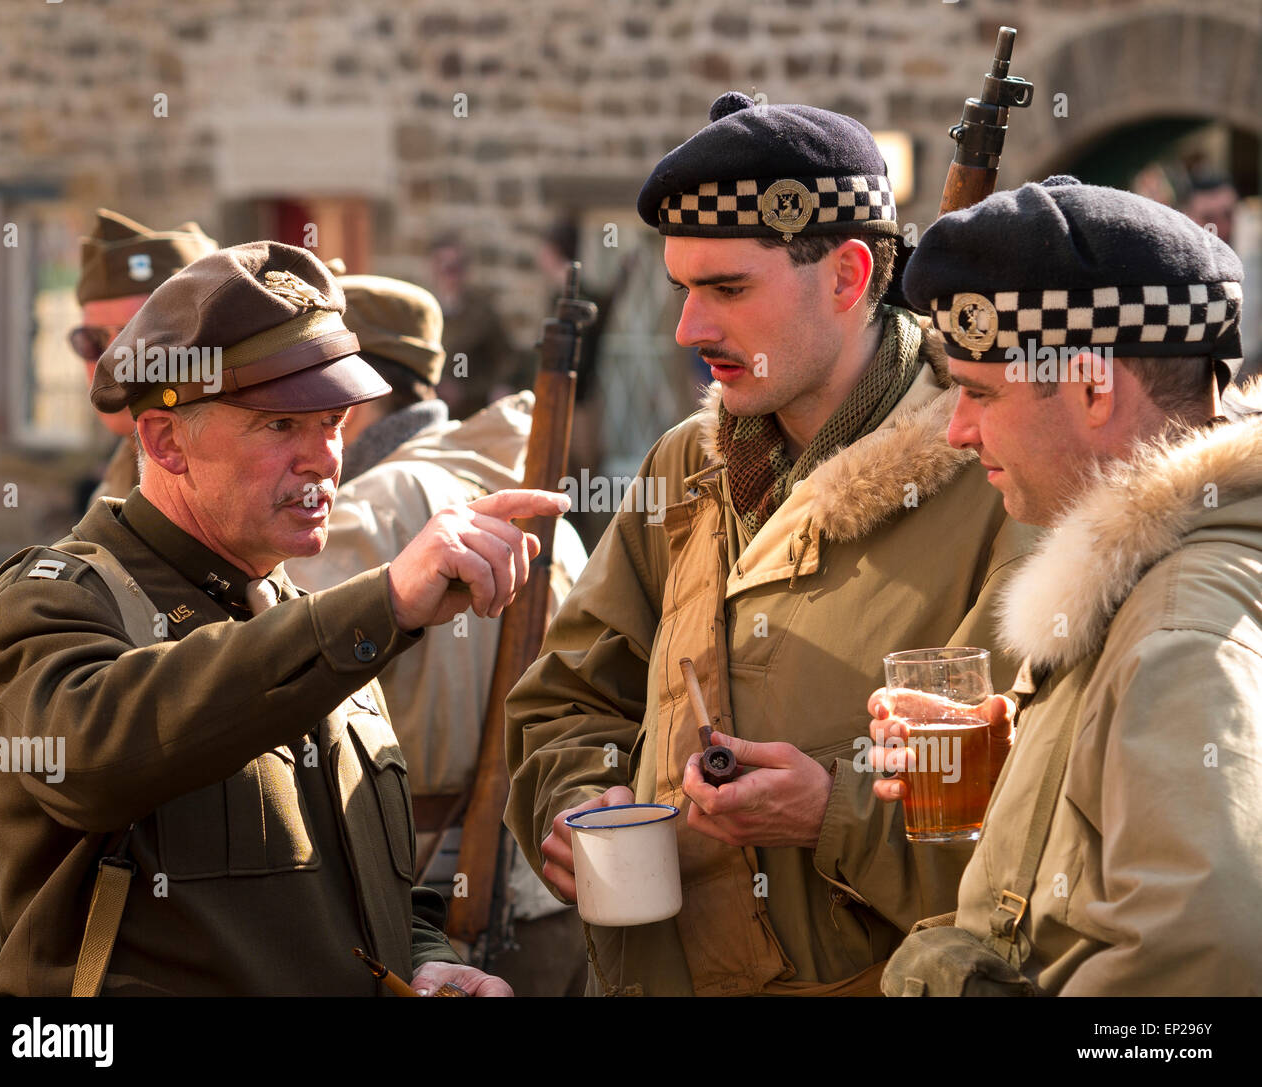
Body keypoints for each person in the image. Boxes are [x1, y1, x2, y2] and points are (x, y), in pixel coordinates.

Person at [503, 91, 1038, 997]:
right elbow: (568, 695)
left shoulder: (997, 483)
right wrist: (575, 802)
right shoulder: (687, 464)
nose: (689, 330)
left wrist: (832, 811)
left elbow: (1031, 811)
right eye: (684, 289)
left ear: (847, 275)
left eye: (727, 289)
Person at [0, 241, 568, 996]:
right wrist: (379, 603)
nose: (324, 457)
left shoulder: (313, 617)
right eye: (281, 426)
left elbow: (352, 889)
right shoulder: (57, 596)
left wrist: (424, 959)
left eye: (335, 422)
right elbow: (93, 754)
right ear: (164, 439)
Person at [873, 175, 1260, 996]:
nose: (957, 428)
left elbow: (1211, 966)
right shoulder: (1158, 585)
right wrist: (1020, 755)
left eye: (979, 392)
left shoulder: (1178, 632)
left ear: (1092, 385)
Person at [287, 272, 590, 996]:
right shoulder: (516, 489)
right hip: (549, 897)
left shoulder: (366, 508)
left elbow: (278, 685)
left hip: (425, 902)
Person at [70, 208, 218, 505]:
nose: (110, 364)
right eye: (92, 341)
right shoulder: (119, 476)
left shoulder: (231, 475)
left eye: (135, 338)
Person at [428, 235, 522, 420]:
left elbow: (507, 358)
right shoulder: (424, 309)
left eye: (456, 267)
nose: (451, 275)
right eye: (445, 268)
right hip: (431, 408)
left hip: (473, 408)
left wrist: (498, 388)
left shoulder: (482, 313)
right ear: (434, 268)